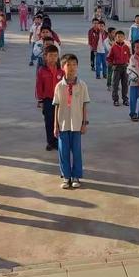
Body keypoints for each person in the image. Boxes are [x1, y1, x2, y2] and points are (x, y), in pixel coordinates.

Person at [53, 54, 89, 189]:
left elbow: (85, 105)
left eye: (74, 64)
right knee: (63, 151)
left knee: (76, 151)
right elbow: (56, 105)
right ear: (63, 67)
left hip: (77, 123)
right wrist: (55, 125)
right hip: (62, 124)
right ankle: (66, 176)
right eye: (68, 65)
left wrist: (84, 123)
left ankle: (76, 176)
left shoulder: (82, 85)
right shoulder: (59, 86)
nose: (72, 67)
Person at [36, 45, 63, 151]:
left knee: (59, 120)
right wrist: (40, 100)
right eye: (50, 55)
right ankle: (50, 142)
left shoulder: (61, 70)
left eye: (55, 56)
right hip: (47, 100)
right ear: (45, 57)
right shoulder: (42, 70)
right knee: (49, 121)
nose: (53, 58)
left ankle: (58, 140)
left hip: (60, 100)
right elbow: (39, 86)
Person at [107, 30, 131, 107]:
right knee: (115, 84)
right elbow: (109, 58)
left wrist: (129, 64)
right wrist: (112, 65)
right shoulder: (113, 47)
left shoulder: (126, 47)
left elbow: (129, 56)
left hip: (125, 67)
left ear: (124, 37)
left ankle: (125, 99)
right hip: (117, 68)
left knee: (125, 84)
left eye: (121, 37)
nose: (120, 38)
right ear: (115, 38)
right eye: (118, 37)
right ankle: (115, 100)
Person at [127, 39, 139, 122]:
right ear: (134, 48)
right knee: (133, 100)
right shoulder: (132, 58)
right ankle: (133, 114)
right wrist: (136, 79)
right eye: (137, 47)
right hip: (134, 83)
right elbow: (129, 70)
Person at [104, 27, 116, 91]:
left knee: (116, 73)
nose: (114, 34)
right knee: (110, 73)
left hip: (117, 59)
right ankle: (109, 85)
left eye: (115, 32)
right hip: (110, 60)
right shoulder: (106, 41)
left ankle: (115, 84)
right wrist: (114, 46)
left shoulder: (116, 40)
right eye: (113, 33)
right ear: (109, 33)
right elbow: (109, 49)